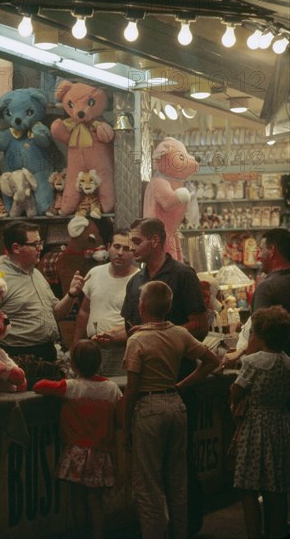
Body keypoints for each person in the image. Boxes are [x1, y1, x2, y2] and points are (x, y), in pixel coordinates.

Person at [121, 217, 208, 535]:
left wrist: (163, 336)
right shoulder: (134, 283)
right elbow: (131, 328)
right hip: (144, 390)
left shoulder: (183, 275)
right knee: (152, 473)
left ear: (156, 241)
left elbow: (200, 323)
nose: (132, 249)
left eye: (136, 242)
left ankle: (187, 528)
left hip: (179, 383)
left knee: (179, 467)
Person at [123, 281, 220, 539]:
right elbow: (212, 361)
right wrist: (181, 385)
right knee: (178, 482)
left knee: (148, 486)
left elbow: (131, 389)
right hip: (176, 405)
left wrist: (124, 426)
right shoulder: (179, 333)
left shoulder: (138, 340)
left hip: (148, 407)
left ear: (141, 307)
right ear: (168, 307)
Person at [33, 339, 123, 539]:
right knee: (96, 503)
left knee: (77, 501)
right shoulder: (111, 389)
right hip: (101, 453)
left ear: (73, 364)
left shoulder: (71, 386)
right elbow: (121, 417)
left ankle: (81, 534)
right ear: (99, 362)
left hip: (75, 452)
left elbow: (40, 386)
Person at [230, 305, 290, 539]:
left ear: (260, 334)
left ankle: (254, 533)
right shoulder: (287, 363)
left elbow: (236, 391)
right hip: (281, 424)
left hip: (255, 426)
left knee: (248, 485)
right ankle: (277, 531)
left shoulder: (253, 362)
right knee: (276, 485)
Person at [0, 221, 86, 362]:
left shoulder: (36, 274)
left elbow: (56, 313)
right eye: (35, 244)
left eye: (40, 242)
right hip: (18, 357)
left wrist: (72, 294)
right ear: (16, 248)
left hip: (47, 352)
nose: (41, 248)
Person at [73, 228, 138, 376]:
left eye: (126, 248)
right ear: (108, 248)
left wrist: (117, 337)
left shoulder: (140, 279)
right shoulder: (94, 273)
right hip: (91, 349)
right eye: (116, 247)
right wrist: (75, 345)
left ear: (134, 252)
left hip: (122, 351)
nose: (120, 252)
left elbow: (140, 323)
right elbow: (84, 312)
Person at [223, 227, 290, 367]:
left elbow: (259, 335)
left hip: (272, 371)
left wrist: (240, 357)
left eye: (261, 249)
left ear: (272, 251)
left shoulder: (267, 288)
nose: (258, 255)